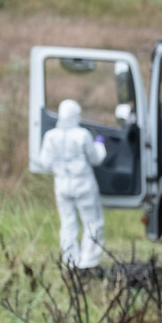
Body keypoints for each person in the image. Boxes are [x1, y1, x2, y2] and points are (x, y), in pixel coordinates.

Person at [39, 98, 106, 268]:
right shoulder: (82, 135)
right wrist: (100, 145)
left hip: (62, 185)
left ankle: (70, 262)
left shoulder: (50, 136)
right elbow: (96, 158)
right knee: (92, 223)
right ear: (76, 115)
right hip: (83, 184)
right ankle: (88, 263)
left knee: (68, 225)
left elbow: (44, 162)